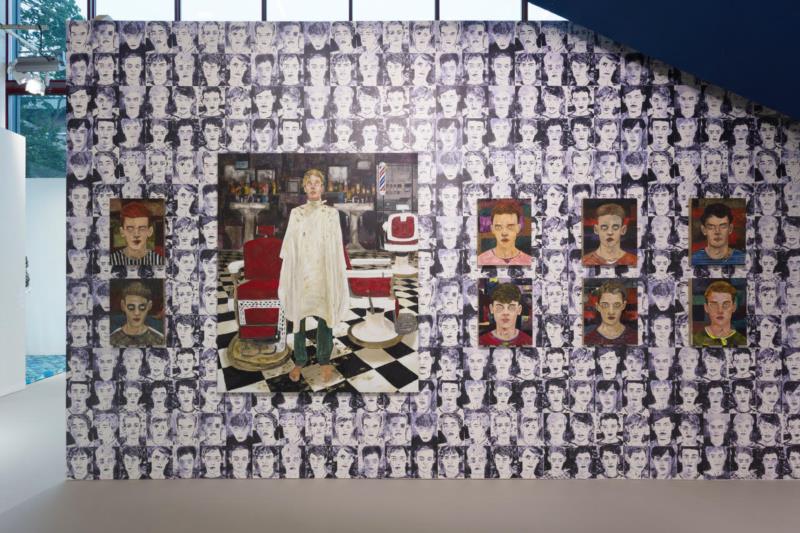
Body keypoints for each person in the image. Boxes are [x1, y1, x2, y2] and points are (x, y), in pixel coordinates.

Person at [279, 169, 348, 384]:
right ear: (304, 187)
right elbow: (289, 245)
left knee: (325, 311)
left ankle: (324, 359)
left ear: (322, 187)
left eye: (317, 182)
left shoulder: (331, 214)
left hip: (323, 270)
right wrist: (292, 268)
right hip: (302, 270)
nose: (312, 186)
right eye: (308, 182)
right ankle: (300, 359)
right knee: (299, 313)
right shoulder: (296, 213)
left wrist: (335, 270)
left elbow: (336, 245)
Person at [692, 280, 747, 347]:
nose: (720, 311)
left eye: (726, 304)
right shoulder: (695, 341)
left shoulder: (743, 342)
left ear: (733, 307)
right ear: (706, 308)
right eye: (714, 304)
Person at [477, 201, 532, 266]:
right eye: (498, 227)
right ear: (492, 229)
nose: (504, 233)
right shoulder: (480, 261)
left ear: (518, 228)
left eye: (510, 226)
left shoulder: (529, 261)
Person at [110, 281, 165, 347]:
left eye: (142, 307)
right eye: (131, 307)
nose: (137, 313)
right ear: (123, 306)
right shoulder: (112, 339)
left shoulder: (160, 339)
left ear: (149, 306)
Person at [582, 202, 636, 266]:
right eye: (604, 227)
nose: (610, 232)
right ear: (596, 229)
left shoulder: (635, 261)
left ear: (623, 230)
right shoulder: (584, 261)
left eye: (615, 227)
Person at [584, 281, 637, 346]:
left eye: (617, 305)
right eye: (605, 305)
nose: (611, 312)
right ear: (598, 307)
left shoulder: (635, 337)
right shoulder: (588, 340)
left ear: (623, 306)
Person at [479, 282, 532, 347]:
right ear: (491, 309)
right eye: (499, 307)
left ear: (519, 310)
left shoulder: (529, 342)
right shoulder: (481, 342)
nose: (505, 313)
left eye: (511, 307)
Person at [111, 201, 164, 266]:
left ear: (150, 231)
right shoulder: (111, 260)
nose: (136, 234)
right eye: (130, 228)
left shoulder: (160, 261)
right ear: (122, 232)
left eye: (142, 228)